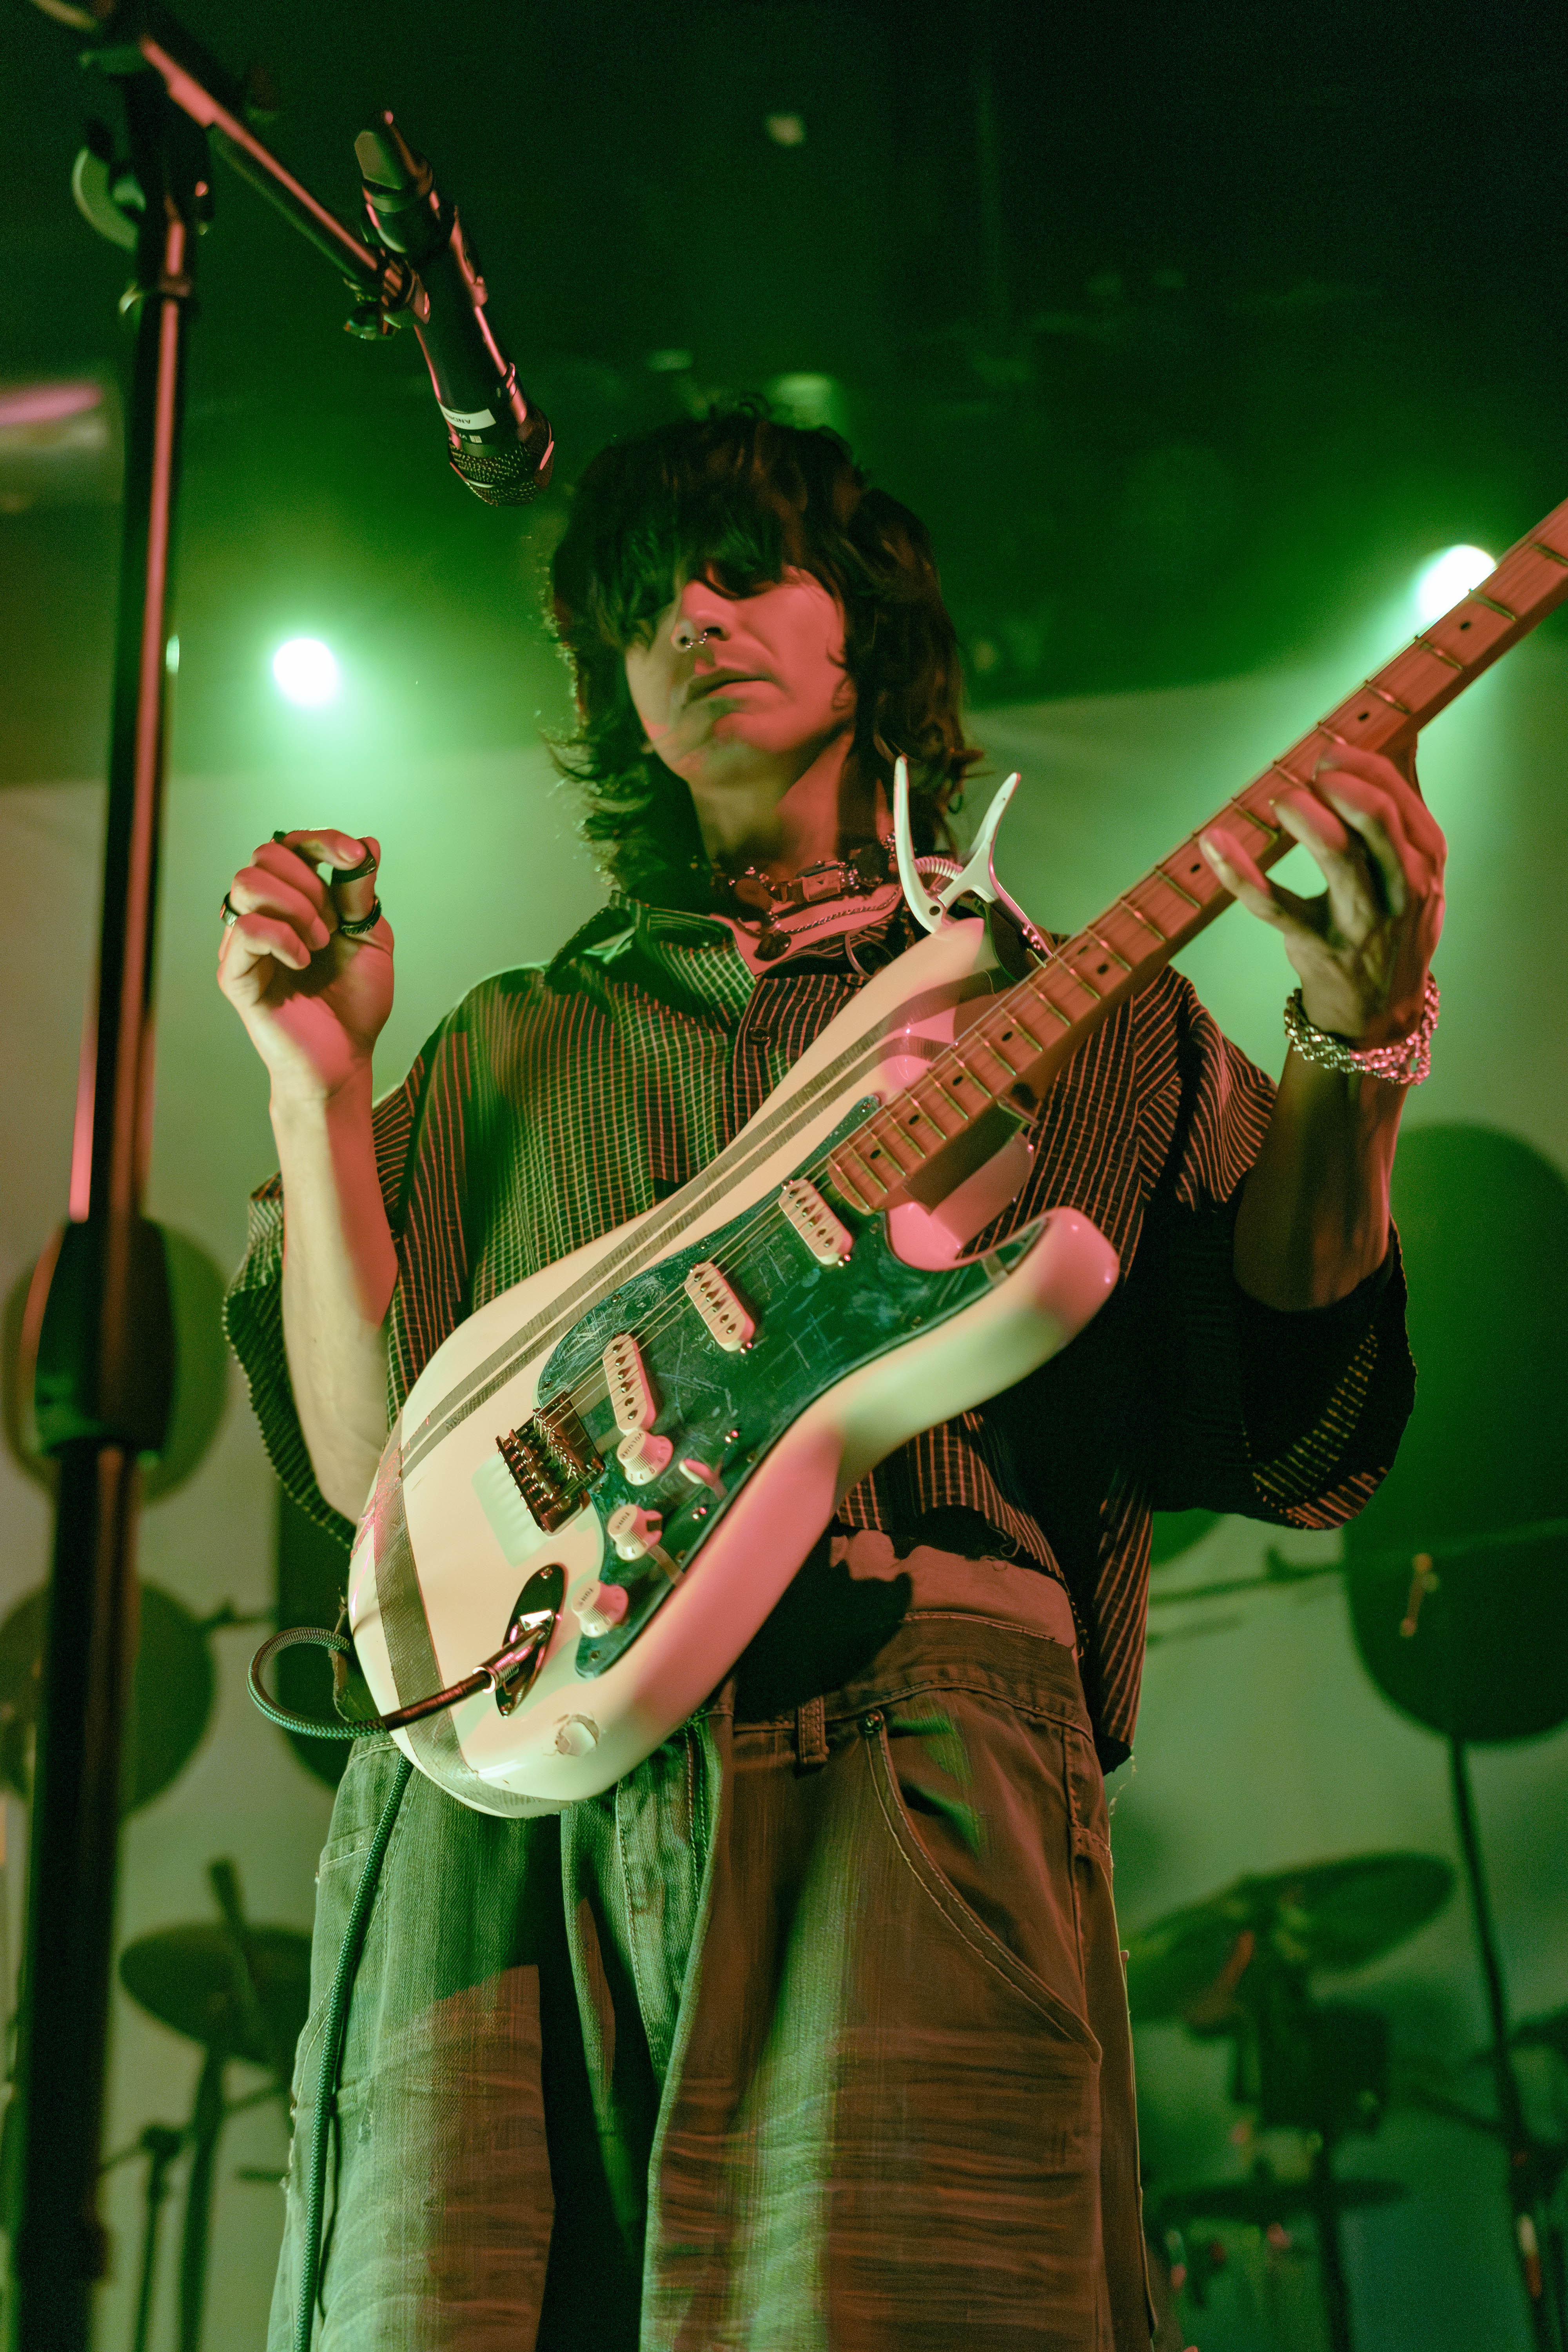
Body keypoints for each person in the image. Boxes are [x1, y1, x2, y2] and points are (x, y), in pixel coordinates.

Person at [218, 412, 1440, 2351]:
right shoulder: (516, 1041)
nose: (691, 621)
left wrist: (1354, 1055)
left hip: (895, 1732)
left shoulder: (1070, 1011)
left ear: (867, 626)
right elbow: (372, 1492)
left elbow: (1274, 1417)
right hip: (492, 1816)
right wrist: (315, 1086)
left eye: (740, 569)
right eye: (643, 606)